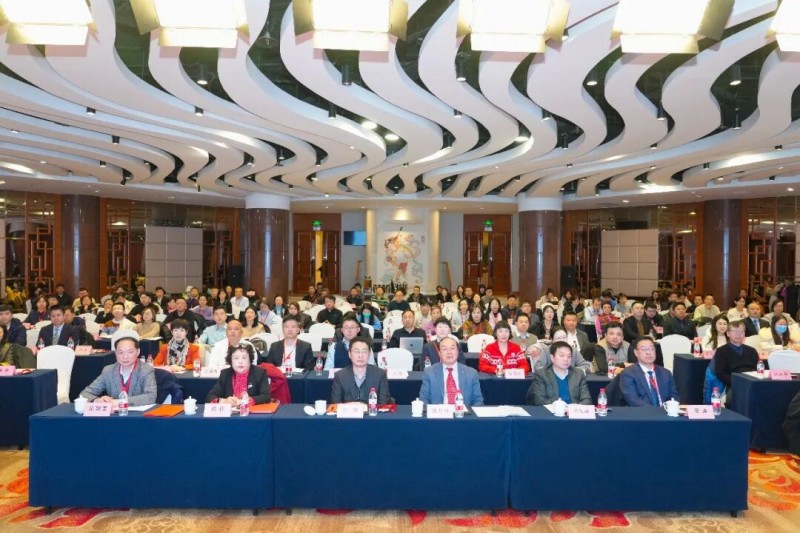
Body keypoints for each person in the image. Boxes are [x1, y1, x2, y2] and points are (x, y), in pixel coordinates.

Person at [80, 333, 157, 406]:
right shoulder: (108, 371)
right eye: (120, 352)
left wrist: (118, 402)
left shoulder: (146, 370)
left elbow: (150, 397)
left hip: (137, 414)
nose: (125, 357)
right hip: (114, 414)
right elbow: (85, 394)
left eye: (130, 352)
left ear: (138, 352)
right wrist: (97, 400)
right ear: (115, 353)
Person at [419, 336, 483, 407]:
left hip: (464, 412)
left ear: (458, 352)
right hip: (439, 412)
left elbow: (478, 401)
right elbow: (423, 400)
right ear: (439, 353)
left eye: (452, 348)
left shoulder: (471, 373)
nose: (449, 352)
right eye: (445, 349)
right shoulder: (429, 372)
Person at [526, 341, 592, 406]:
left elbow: (587, 399)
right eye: (561, 355)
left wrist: (575, 408)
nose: (566, 359)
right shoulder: (542, 374)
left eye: (569, 356)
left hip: (573, 411)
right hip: (552, 411)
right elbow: (539, 401)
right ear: (552, 358)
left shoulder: (578, 374)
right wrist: (558, 406)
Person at [620, 336, 680, 406]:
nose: (648, 352)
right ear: (636, 352)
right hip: (643, 412)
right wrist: (656, 411)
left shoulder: (666, 373)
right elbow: (633, 400)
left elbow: (674, 397)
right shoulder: (628, 373)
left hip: (666, 411)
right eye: (644, 349)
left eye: (652, 349)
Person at [330, 336, 390, 404]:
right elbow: (335, 404)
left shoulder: (380, 375)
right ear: (349, 354)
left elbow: (383, 404)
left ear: (369, 355)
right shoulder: (340, 376)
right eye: (356, 351)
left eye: (364, 352)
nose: (360, 356)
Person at [206, 344, 271, 405]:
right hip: (230, 412)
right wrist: (224, 401)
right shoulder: (225, 374)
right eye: (236, 358)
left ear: (250, 359)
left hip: (251, 411)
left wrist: (245, 401)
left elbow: (266, 396)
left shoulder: (259, 373)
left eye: (244, 358)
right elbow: (210, 397)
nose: (240, 362)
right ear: (231, 361)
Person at [712, 321, 760, 395]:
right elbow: (720, 373)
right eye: (735, 331)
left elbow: (759, 368)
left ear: (744, 334)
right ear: (728, 333)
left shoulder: (752, 350)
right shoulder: (721, 351)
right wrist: (737, 382)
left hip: (753, 382)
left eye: (741, 332)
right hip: (734, 384)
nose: (738, 334)